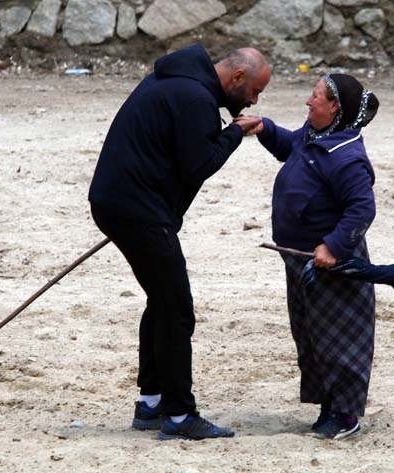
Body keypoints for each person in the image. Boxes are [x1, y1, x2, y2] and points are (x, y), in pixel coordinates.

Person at [88, 44, 270, 441]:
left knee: (162, 300)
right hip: (137, 211)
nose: (254, 100)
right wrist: (235, 133)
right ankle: (178, 415)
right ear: (237, 79)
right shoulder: (195, 97)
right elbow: (198, 165)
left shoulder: (176, 81)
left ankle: (151, 403)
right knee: (176, 308)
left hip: (120, 203)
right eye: (255, 91)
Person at [235, 73, 379, 440]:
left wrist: (332, 246)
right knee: (311, 335)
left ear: (335, 108)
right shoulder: (313, 135)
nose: (307, 101)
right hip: (299, 259)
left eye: (315, 97)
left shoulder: (346, 157)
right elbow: (291, 146)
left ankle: (346, 415)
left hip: (332, 262)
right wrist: (264, 127)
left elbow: (361, 209)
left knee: (340, 338)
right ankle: (328, 405)